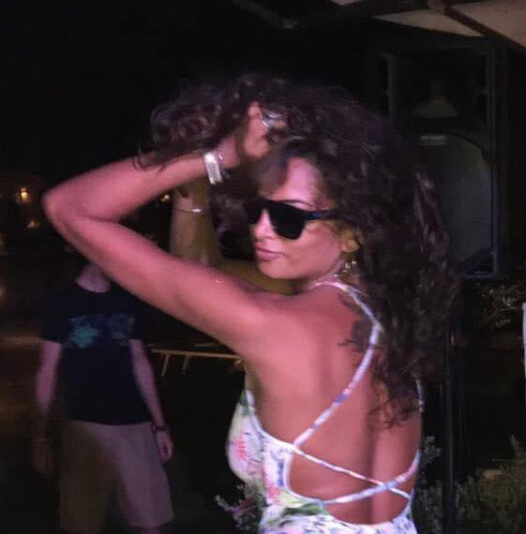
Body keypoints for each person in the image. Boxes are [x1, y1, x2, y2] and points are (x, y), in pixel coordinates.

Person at [43, 74, 458, 533]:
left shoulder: (271, 324)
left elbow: (71, 208)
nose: (261, 229)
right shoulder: (390, 317)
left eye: (287, 217)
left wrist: (219, 155)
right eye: (257, 210)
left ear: (353, 231)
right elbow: (201, 267)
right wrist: (196, 191)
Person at [33, 260, 174, 534]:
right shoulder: (61, 302)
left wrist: (159, 426)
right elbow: (47, 370)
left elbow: (139, 361)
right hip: (85, 426)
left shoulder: (128, 299)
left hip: (134, 423)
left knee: (150, 522)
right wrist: (39, 433)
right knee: (81, 523)